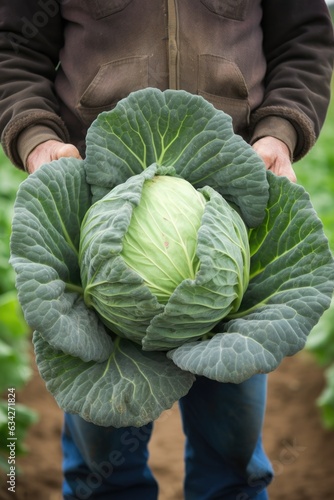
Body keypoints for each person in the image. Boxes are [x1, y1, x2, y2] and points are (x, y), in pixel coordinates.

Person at [0, 1, 333, 499]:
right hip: (96, 219)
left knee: (233, 468)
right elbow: (13, 49)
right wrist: (36, 136)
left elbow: (304, 40)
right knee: (102, 478)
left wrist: (280, 131)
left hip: (230, 224)